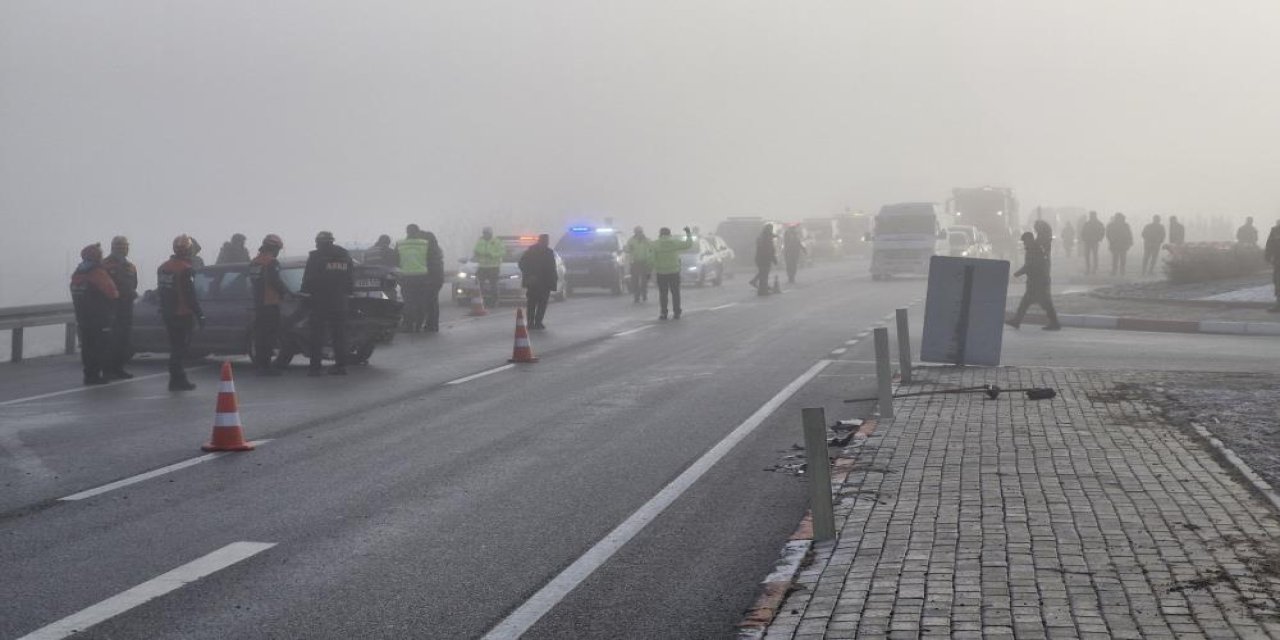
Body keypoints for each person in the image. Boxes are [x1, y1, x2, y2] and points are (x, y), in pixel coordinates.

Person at [301, 231, 354, 375]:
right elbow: (350, 279)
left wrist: (306, 293)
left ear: (320, 242)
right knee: (339, 335)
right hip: (340, 302)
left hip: (321, 301)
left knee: (317, 335)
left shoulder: (316, 256)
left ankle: (315, 367)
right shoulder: (345, 256)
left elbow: (308, 279)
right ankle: (341, 366)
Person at [157, 235, 204, 391]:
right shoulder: (185, 269)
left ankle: (176, 378)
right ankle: (178, 379)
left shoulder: (163, 267)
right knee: (180, 348)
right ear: (188, 250)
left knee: (175, 346)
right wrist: (200, 314)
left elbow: (162, 292)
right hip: (183, 313)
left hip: (168, 313)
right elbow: (190, 294)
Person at [70, 243, 119, 385]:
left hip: (83, 317)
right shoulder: (98, 273)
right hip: (100, 317)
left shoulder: (77, 274)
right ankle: (103, 373)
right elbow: (112, 293)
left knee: (87, 347)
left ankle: (89, 374)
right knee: (103, 346)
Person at [248, 234, 287, 375]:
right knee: (269, 336)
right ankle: (266, 367)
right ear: (273, 248)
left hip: (258, 304)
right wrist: (287, 293)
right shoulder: (271, 262)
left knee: (260, 336)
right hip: (270, 303)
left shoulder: (254, 262)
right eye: (278, 249)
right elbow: (276, 282)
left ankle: (260, 365)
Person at [1007, 232, 1061, 331]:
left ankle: (1055, 323)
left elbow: (1029, 266)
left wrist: (1016, 274)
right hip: (1037, 282)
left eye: (1025, 241)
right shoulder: (1034, 249)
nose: (1024, 244)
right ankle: (1017, 321)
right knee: (1028, 303)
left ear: (1029, 240)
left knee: (1044, 304)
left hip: (1038, 283)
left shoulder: (1033, 250)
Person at [101, 235, 137, 379]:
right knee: (111, 340)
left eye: (125, 246)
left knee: (124, 339)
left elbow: (134, 284)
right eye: (119, 246)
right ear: (113, 247)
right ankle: (107, 369)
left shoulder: (131, 266)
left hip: (126, 307)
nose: (123, 249)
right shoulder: (105, 264)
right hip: (111, 307)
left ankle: (119, 367)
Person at [651, 226, 695, 320]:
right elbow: (688, 244)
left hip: (661, 272)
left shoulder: (655, 244)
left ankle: (663, 312)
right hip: (674, 272)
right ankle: (677, 312)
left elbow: (652, 258)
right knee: (675, 293)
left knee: (663, 294)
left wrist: (653, 269)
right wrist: (688, 233)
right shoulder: (674, 242)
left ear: (660, 234)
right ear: (669, 234)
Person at [518, 234, 558, 330]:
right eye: (545, 241)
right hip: (534, 282)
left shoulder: (549, 252)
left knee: (541, 304)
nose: (546, 243)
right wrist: (529, 275)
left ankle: (538, 322)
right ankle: (532, 323)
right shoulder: (531, 252)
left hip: (545, 282)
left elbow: (552, 268)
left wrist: (553, 279)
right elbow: (522, 264)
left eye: (546, 241)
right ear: (540, 241)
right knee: (532, 303)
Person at [396, 224, 429, 332]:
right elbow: (430, 261)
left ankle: (408, 324)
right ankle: (419, 324)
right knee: (421, 301)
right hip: (422, 277)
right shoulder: (425, 244)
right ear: (418, 232)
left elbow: (396, 262)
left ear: (407, 232)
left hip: (406, 277)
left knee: (408, 302)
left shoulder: (399, 244)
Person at [473, 227, 505, 308]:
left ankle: (494, 301)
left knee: (493, 285)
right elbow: (476, 250)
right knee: (479, 285)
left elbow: (502, 252)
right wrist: (483, 253)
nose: (485, 235)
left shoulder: (497, 241)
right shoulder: (480, 241)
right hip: (482, 267)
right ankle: (480, 301)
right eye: (484, 233)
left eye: (487, 233)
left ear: (491, 234)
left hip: (493, 267)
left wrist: (492, 254)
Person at [422, 231, 445, 332]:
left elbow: (431, 266)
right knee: (432, 302)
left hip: (432, 278)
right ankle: (432, 324)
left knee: (430, 303)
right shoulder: (436, 249)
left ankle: (431, 324)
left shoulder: (430, 250)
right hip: (437, 278)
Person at [625, 226, 653, 303]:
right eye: (637, 232)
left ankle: (644, 295)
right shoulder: (631, 241)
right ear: (635, 232)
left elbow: (651, 248)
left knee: (644, 281)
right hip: (635, 263)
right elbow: (627, 250)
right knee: (635, 281)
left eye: (640, 232)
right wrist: (628, 249)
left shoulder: (647, 240)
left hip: (645, 263)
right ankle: (636, 296)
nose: (639, 233)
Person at [1106, 212, 1133, 277]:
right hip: (1117, 244)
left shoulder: (1124, 225)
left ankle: (1119, 272)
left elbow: (1129, 234)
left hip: (1121, 245)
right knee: (1117, 259)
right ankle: (1117, 272)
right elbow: (1108, 234)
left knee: (1120, 259)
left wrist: (1130, 241)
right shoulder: (1112, 225)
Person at [752, 224, 777, 295]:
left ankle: (762, 289)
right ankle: (763, 290)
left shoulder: (762, 236)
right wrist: (773, 258)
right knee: (764, 275)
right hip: (764, 259)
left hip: (760, 258)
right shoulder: (766, 238)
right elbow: (769, 250)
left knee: (763, 274)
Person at [1080, 211, 1105, 275]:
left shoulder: (1087, 223)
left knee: (1089, 256)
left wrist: (1084, 238)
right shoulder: (1098, 223)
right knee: (1093, 255)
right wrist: (1100, 238)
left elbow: (1083, 232)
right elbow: (1102, 231)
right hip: (1092, 241)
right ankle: (1093, 268)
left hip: (1090, 241)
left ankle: (1090, 268)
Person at [1266, 221, 1280, 313]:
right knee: (1277, 282)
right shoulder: (1275, 230)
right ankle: (1278, 304)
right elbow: (1270, 244)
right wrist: (1268, 257)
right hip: (1278, 261)